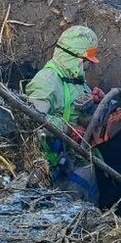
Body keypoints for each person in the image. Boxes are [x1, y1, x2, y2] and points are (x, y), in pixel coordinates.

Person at [25, 26, 108, 202]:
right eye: (86, 61)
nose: (89, 65)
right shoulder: (46, 81)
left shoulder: (74, 79)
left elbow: (75, 110)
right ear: (72, 56)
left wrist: (94, 101)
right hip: (56, 165)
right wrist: (68, 129)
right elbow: (31, 120)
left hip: (77, 159)